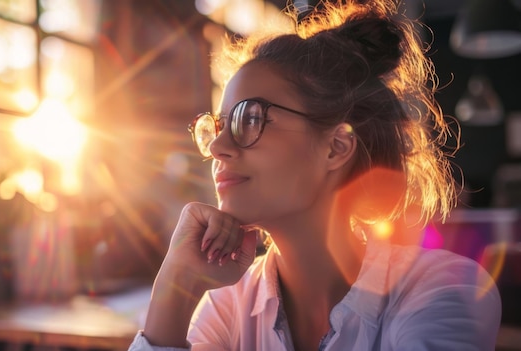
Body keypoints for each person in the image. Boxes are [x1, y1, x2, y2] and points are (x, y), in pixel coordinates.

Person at [128, 0, 502, 350]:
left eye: (249, 118)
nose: (216, 147)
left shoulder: (444, 289)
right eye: (218, 126)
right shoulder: (226, 306)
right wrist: (176, 286)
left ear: (336, 147)